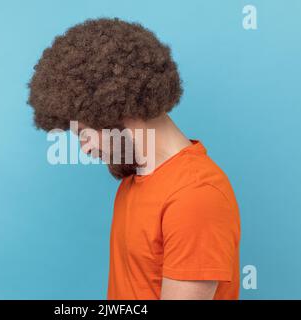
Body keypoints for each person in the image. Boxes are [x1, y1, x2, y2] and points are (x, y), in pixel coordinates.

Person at [28, 18, 241, 300]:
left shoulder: (195, 197)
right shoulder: (133, 182)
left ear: (113, 107)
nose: (86, 149)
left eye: (83, 134)